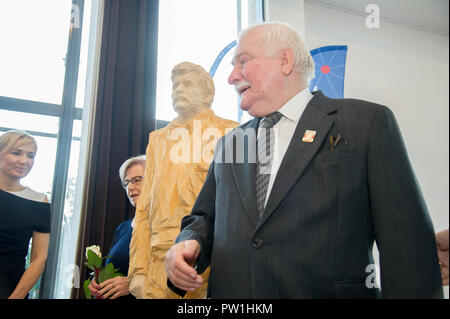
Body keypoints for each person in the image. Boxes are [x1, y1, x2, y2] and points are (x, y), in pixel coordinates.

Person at [165, 22, 443, 298]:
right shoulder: (231, 143)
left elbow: (407, 247)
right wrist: (188, 242)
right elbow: (204, 218)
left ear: (285, 61)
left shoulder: (366, 124)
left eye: (243, 61)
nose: (232, 77)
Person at [128, 61, 238, 298]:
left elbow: (240, 209)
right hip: (158, 267)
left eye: (187, 84)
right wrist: (137, 272)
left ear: (207, 93)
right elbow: (143, 211)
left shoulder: (231, 132)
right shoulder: (157, 140)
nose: (178, 89)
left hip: (209, 266)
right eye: (175, 85)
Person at [0, 130, 51, 299]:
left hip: (11, 289)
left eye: (31, 156)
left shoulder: (39, 201)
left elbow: (39, 258)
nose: (24, 161)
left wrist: (16, 296)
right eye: (16, 153)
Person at [87, 155, 145, 299]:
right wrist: (98, 281)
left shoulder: (165, 227)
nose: (130, 187)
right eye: (126, 183)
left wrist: (133, 285)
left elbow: (170, 276)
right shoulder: (123, 228)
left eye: (137, 180)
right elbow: (113, 268)